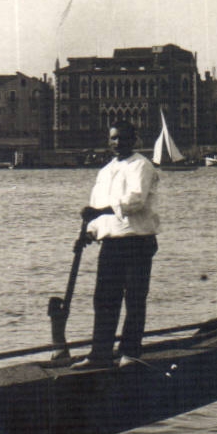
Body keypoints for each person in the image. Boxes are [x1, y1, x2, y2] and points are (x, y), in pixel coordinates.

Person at [74, 120, 160, 369]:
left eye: (123, 138)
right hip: (111, 242)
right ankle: (99, 353)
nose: (117, 143)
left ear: (135, 140)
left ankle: (130, 353)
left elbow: (135, 202)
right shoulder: (105, 171)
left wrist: (99, 211)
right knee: (104, 299)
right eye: (113, 138)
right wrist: (89, 232)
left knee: (134, 298)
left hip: (137, 240)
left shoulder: (142, 166)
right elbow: (96, 204)